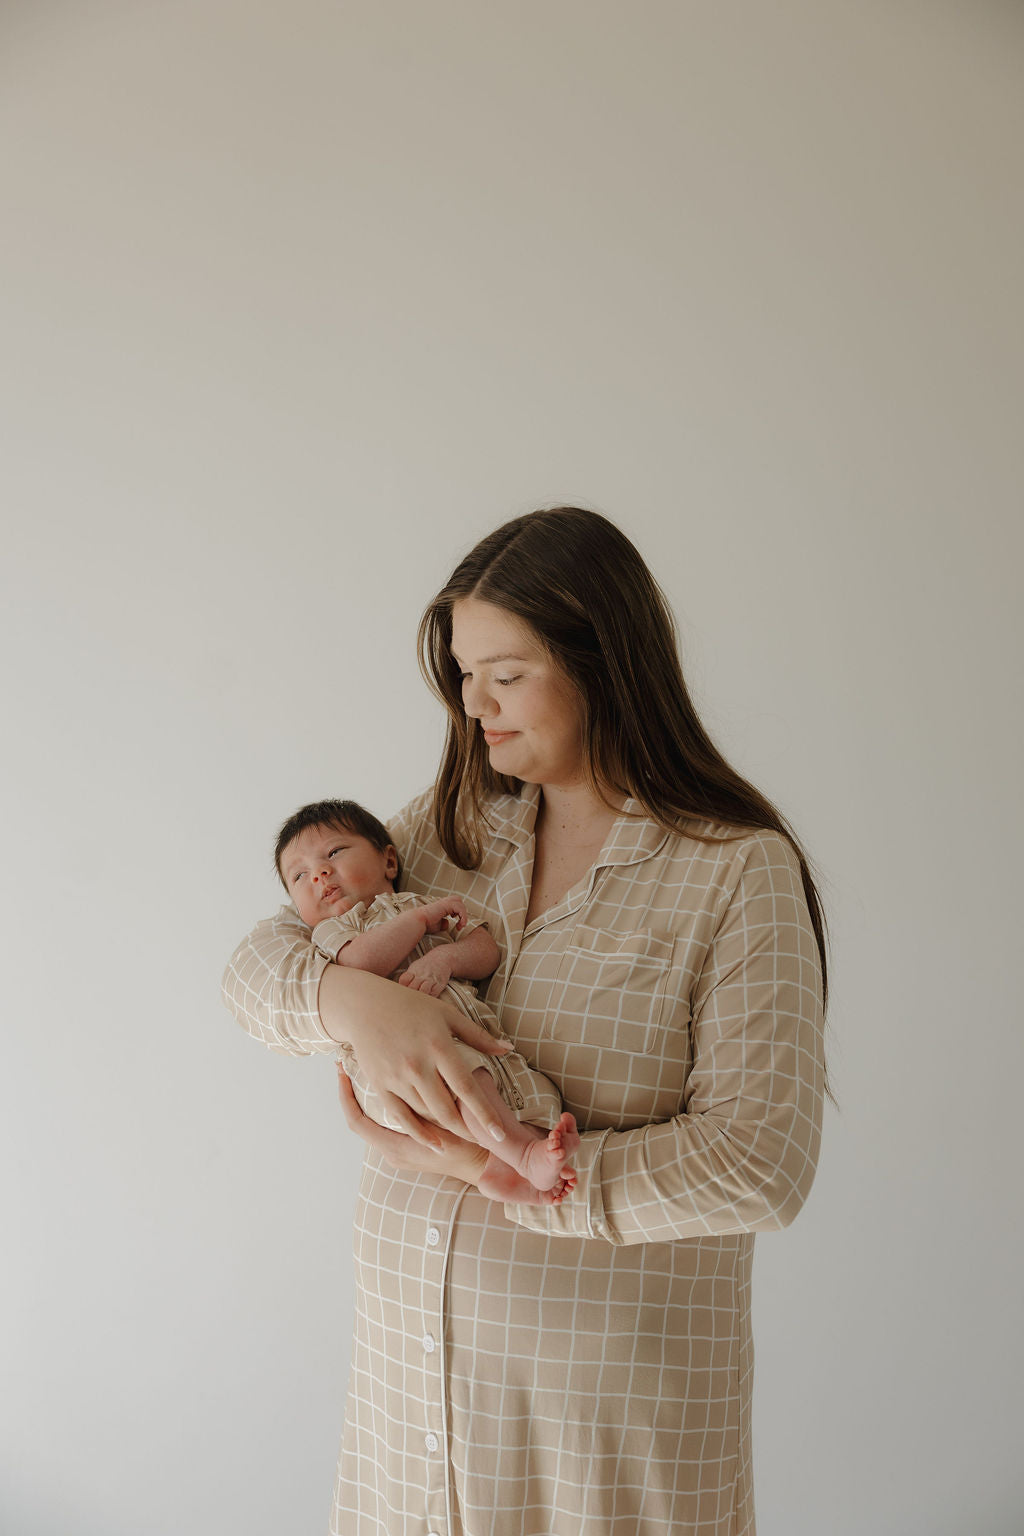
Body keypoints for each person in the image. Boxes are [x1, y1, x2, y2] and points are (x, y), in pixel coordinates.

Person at [222, 506, 827, 1536]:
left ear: (604, 662)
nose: (475, 708)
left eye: (506, 675)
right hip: (408, 1427)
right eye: (463, 676)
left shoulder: (734, 869)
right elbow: (255, 969)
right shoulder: (453, 825)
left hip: (603, 1450)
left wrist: (500, 1177)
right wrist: (356, 1006)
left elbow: (759, 1161)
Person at [273, 798, 579, 1203]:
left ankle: (504, 1169)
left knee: (529, 1092)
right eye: (299, 875)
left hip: (469, 1045)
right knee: (459, 1075)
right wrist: (418, 923)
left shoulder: (418, 902)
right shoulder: (332, 935)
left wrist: (445, 957)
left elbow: (486, 950)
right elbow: (363, 962)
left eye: (333, 852)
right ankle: (522, 1154)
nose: (320, 874)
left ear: (389, 863)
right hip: (396, 1072)